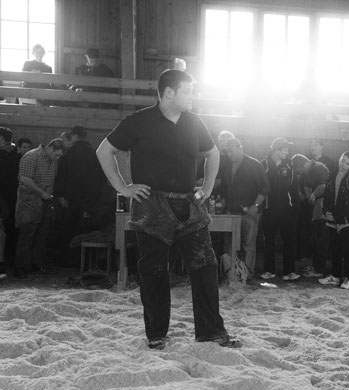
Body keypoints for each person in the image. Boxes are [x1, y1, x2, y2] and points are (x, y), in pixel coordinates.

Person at [96, 69, 235, 349]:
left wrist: (207, 187)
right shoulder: (139, 121)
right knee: (154, 270)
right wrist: (123, 187)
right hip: (151, 205)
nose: (193, 97)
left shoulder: (194, 122)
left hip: (189, 203)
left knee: (205, 266)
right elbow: (103, 151)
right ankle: (157, 334)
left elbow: (213, 153)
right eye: (188, 91)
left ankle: (210, 332)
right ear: (169, 93)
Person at [54, 125, 107, 265]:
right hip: (91, 200)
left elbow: (61, 176)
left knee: (68, 229)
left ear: (73, 136)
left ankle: (66, 259)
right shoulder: (95, 154)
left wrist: (60, 195)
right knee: (86, 231)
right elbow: (102, 178)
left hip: (70, 199)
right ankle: (84, 261)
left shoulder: (68, 155)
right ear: (85, 136)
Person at [14, 138, 65, 278]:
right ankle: (20, 266)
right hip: (28, 200)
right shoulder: (31, 157)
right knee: (27, 234)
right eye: (57, 154)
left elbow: (51, 179)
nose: (58, 158)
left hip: (44, 200)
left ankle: (36, 264)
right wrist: (41, 192)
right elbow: (24, 179)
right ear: (50, 148)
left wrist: (48, 196)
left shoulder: (52, 160)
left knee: (41, 234)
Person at [222, 137, 269, 281]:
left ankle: (247, 275)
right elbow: (225, 187)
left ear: (240, 147)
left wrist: (256, 205)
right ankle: (232, 273)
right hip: (232, 211)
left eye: (231, 150)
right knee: (230, 244)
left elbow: (265, 187)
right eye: (227, 152)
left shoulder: (254, 164)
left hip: (249, 211)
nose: (229, 154)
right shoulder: (227, 165)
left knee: (248, 244)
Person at [318, 151, 349, 289]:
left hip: (347, 221)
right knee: (335, 250)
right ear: (339, 159)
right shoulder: (331, 175)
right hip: (332, 219)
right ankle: (336, 276)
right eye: (343, 161)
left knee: (348, 251)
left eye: (348, 163)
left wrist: (342, 217)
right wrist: (326, 211)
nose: (343, 165)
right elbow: (326, 196)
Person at [260, 137, 300, 281]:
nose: (287, 152)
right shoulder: (263, 165)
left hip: (287, 210)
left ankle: (289, 271)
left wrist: (294, 209)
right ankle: (268, 270)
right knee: (268, 241)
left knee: (289, 241)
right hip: (269, 209)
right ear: (276, 150)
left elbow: (295, 189)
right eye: (285, 150)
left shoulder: (289, 166)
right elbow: (259, 187)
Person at [291, 154, 330, 279]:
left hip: (322, 207)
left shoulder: (319, 168)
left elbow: (323, 186)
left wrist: (312, 196)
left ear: (305, 164)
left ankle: (319, 269)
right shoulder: (308, 172)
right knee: (316, 239)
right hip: (315, 208)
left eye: (300, 170)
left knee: (320, 239)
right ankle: (315, 266)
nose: (300, 173)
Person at [0, 127, 20, 266]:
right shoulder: (18, 155)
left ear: (1, 138)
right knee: (13, 229)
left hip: (3, 197)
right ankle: (10, 260)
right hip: (15, 197)